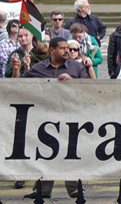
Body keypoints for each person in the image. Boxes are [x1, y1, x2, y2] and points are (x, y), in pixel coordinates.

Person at [21, 37, 88, 199]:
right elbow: (18, 86)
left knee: (71, 153)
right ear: (52, 50)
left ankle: (74, 188)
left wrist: (73, 83)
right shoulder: (38, 68)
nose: (67, 51)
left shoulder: (77, 68)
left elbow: (88, 89)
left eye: (68, 48)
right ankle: (42, 190)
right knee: (45, 154)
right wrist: (19, 68)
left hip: (71, 117)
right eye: (63, 48)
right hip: (46, 119)